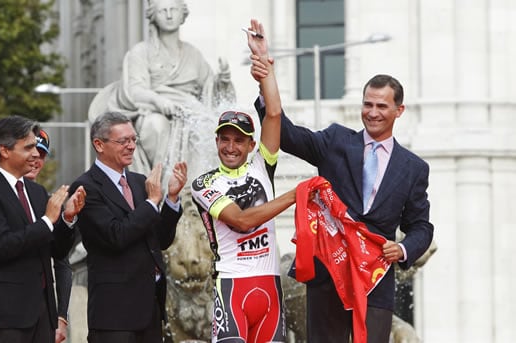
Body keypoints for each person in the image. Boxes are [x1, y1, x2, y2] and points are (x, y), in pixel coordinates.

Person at [251, 44, 435, 341]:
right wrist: (266, 83)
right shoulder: (336, 140)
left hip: (374, 280)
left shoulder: (413, 168)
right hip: (328, 275)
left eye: (381, 106)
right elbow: (287, 135)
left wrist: (402, 249)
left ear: (399, 110)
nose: (372, 113)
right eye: (368, 104)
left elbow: (421, 227)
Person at [189, 19, 297, 343]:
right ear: (217, 142)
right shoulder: (204, 183)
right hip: (232, 286)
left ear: (252, 145)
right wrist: (294, 195)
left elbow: (274, 114)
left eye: (239, 141)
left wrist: (266, 66)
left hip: (270, 287)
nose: (231, 147)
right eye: (225, 140)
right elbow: (241, 221)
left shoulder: (261, 166)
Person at [69, 111, 187, 343]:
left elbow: (159, 241)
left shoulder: (137, 181)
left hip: (150, 311)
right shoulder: (86, 187)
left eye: (134, 139)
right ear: (99, 145)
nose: (132, 146)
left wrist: (171, 200)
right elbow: (116, 235)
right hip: (114, 315)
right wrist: (152, 202)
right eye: (123, 141)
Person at [0, 115, 86, 342]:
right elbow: (2, 246)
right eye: (29, 147)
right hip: (6, 317)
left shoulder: (37, 193)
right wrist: (47, 222)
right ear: (4, 150)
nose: (35, 154)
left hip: (43, 316)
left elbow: (57, 253)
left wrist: (68, 219)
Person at [88, 0, 235, 173]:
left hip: (188, 112)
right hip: (154, 113)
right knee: (157, 126)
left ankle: (197, 188)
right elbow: (134, 91)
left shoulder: (193, 54)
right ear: (153, 16)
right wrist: (159, 101)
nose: (169, 15)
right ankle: (160, 184)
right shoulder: (140, 52)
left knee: (208, 128)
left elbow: (211, 94)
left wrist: (223, 80)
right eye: (163, 11)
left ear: (182, 14)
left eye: (173, 9)